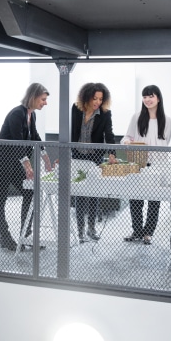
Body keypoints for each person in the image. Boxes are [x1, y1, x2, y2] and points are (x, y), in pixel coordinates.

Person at [0, 83, 53, 251]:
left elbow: (35, 137)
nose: (45, 103)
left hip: (14, 161)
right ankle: (5, 237)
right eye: (43, 99)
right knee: (1, 199)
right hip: (1, 160)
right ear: (34, 97)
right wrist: (28, 166)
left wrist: (46, 158)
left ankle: (25, 235)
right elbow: (18, 143)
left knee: (29, 191)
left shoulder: (31, 115)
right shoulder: (17, 114)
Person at [121, 85, 171, 245]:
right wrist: (128, 141)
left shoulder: (167, 120)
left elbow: (166, 142)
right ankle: (137, 230)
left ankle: (148, 232)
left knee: (154, 201)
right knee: (135, 199)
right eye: (144, 97)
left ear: (158, 98)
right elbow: (126, 137)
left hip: (157, 167)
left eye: (151, 96)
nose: (147, 100)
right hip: (138, 164)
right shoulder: (136, 117)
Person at [71, 82, 118, 243]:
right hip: (77, 157)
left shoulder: (105, 114)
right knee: (79, 195)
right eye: (94, 98)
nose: (97, 102)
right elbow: (72, 132)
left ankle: (91, 228)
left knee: (92, 194)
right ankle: (80, 231)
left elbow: (109, 135)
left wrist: (112, 154)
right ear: (87, 97)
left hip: (94, 159)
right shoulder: (76, 109)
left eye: (100, 99)